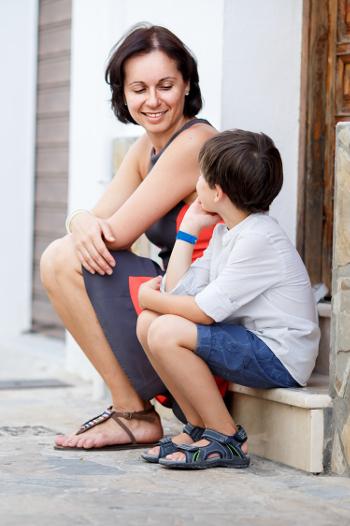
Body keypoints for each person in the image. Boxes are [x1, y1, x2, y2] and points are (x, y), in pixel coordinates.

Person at [40, 24, 218, 450]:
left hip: (208, 307)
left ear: (187, 84)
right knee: (62, 254)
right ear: (122, 94)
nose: (152, 100)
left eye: (165, 85)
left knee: (63, 259)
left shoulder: (196, 142)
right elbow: (97, 218)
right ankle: (131, 409)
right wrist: (80, 219)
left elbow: (114, 233)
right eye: (138, 88)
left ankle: (134, 413)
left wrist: (83, 224)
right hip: (175, 290)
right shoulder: (147, 147)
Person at [136, 129, 320, 469]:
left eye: (202, 177)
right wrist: (188, 230)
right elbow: (179, 293)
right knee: (150, 323)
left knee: (163, 328)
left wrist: (148, 296)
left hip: (279, 355)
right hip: (250, 343)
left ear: (217, 191)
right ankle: (197, 427)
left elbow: (201, 313)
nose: (196, 183)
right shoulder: (228, 231)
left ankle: (226, 437)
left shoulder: (259, 239)